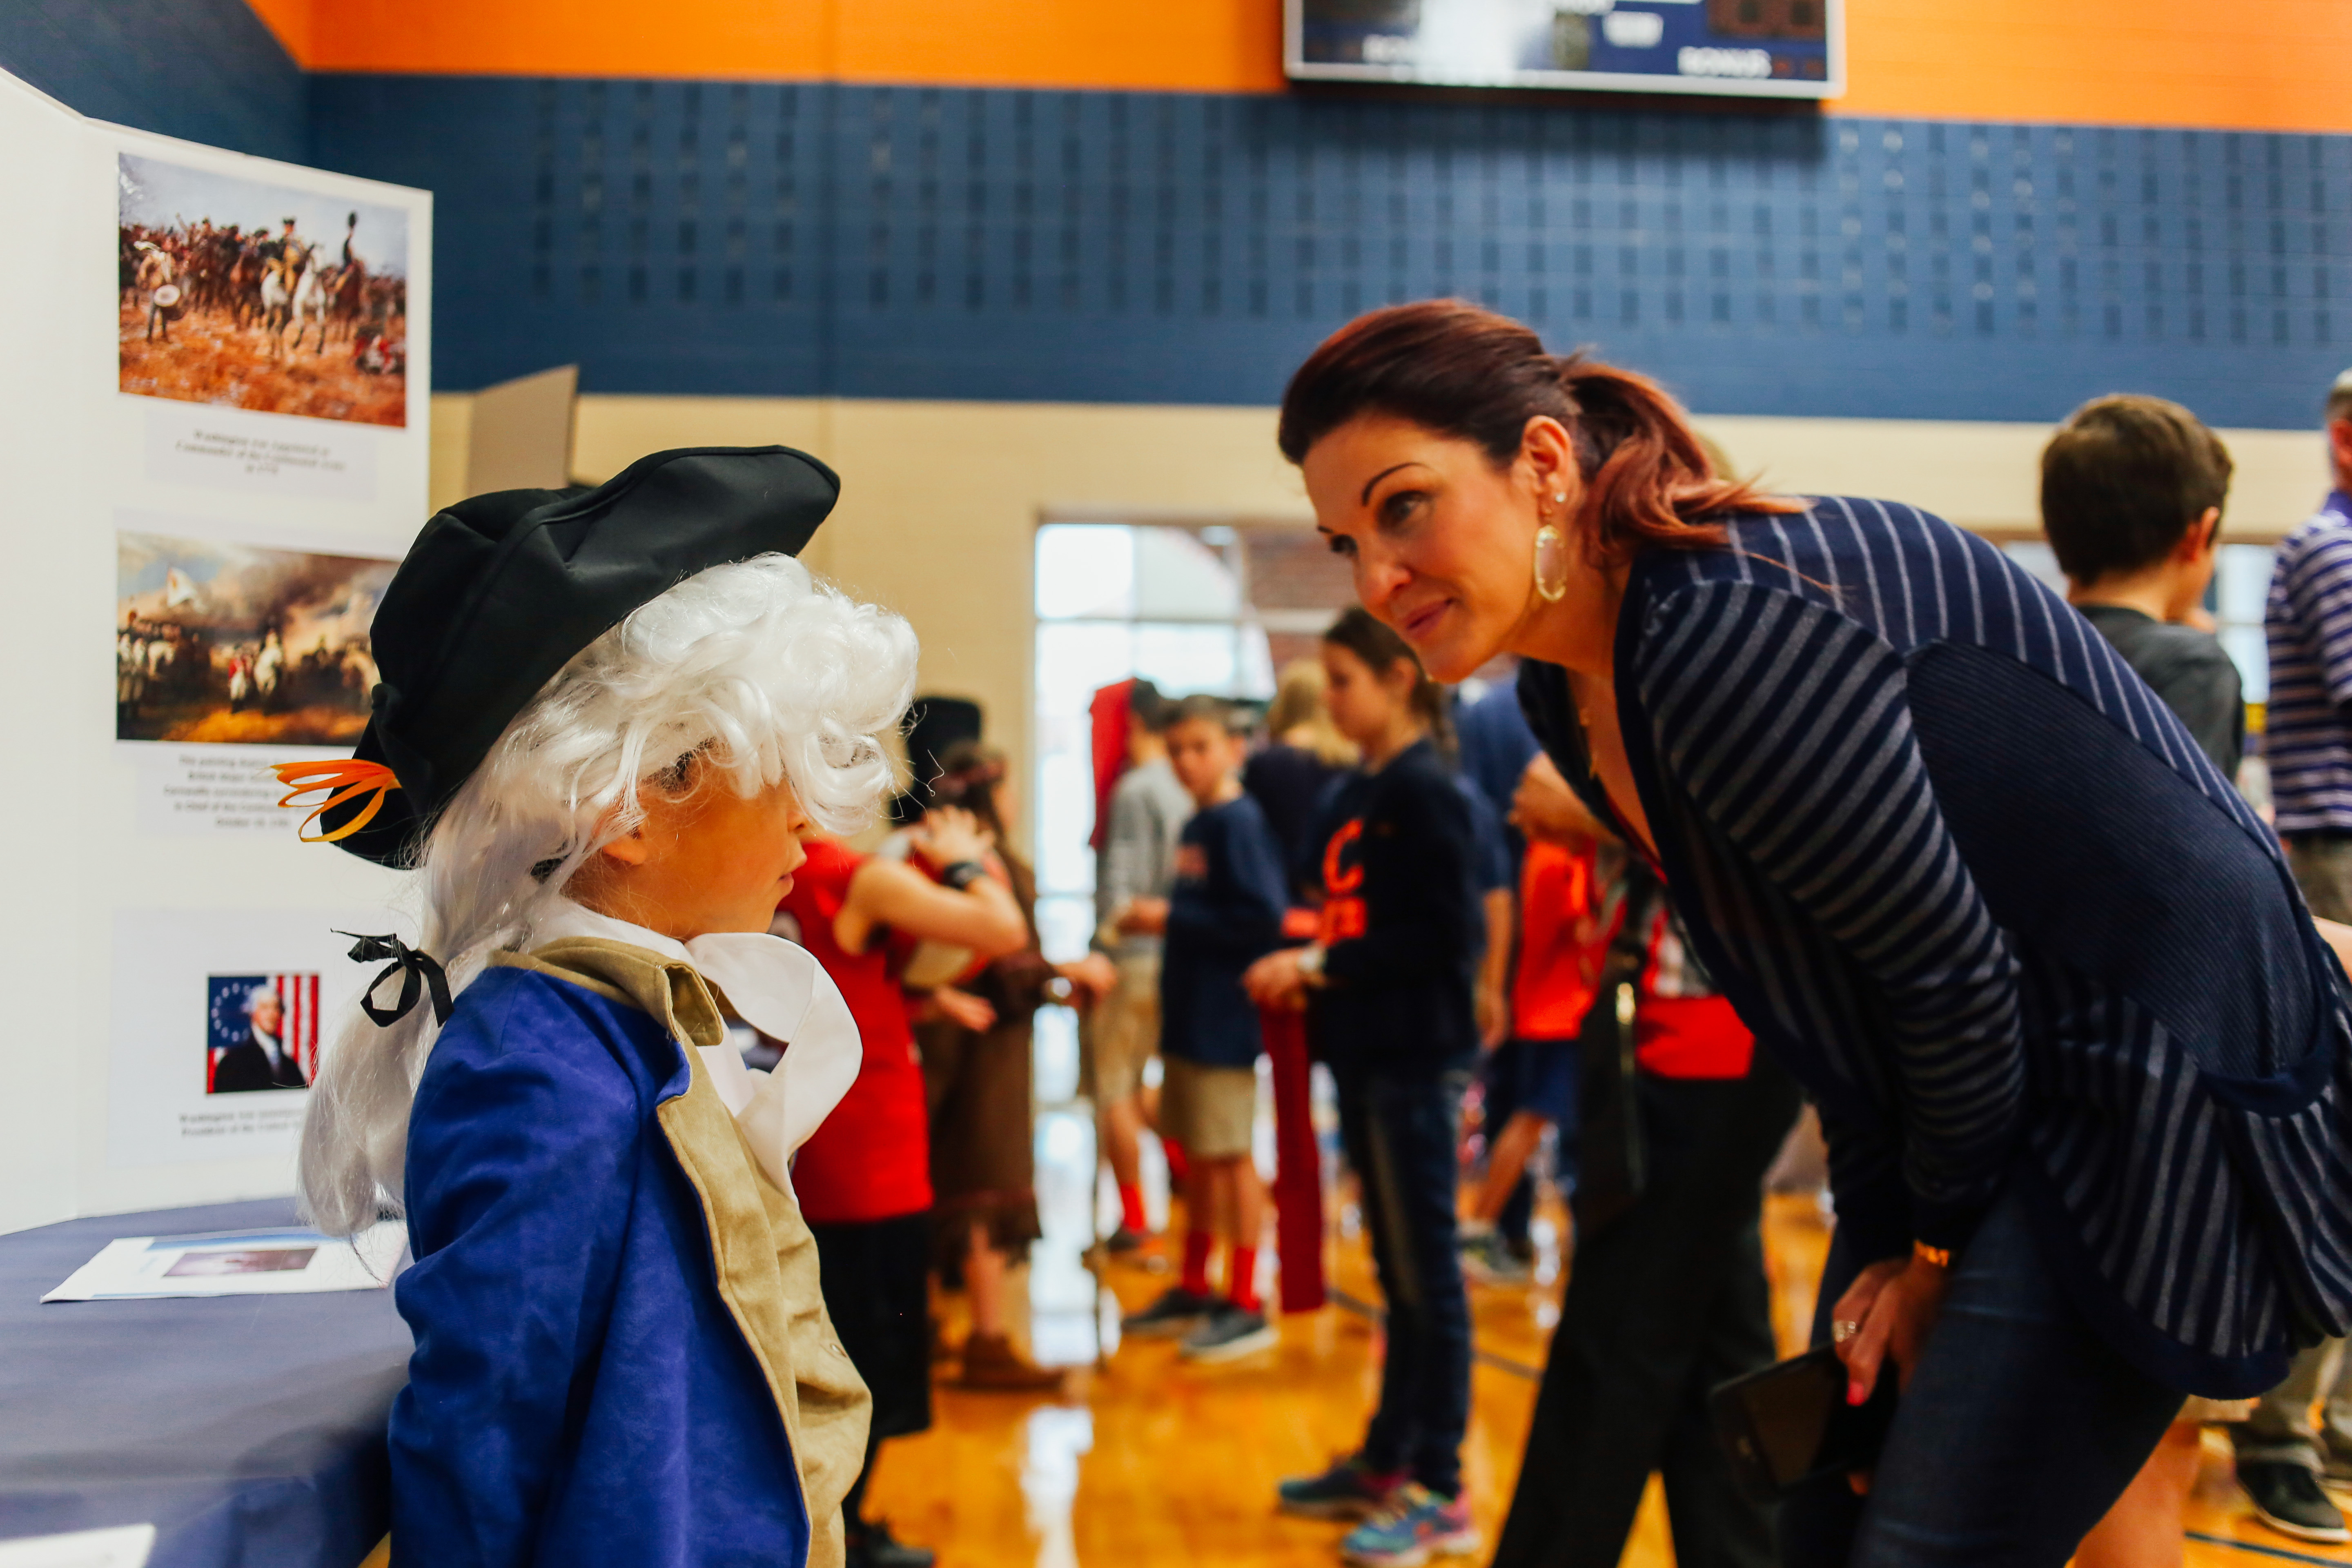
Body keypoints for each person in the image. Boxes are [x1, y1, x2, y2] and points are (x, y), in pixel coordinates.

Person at [1278, 300, 2352, 1568]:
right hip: (2005, 1089)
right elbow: (1824, 997)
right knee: (1834, 1526)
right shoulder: (1572, 688)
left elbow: (1944, 972)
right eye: (1345, 539)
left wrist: (1931, 1243)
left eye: (1404, 506)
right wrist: (1893, 1230)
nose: (1376, 577)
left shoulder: (1718, 624)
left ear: (1546, 463)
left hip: (2146, 1092)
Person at [277, 447, 911, 1567]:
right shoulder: (538, 1058)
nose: (808, 832)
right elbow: (485, 1418)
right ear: (634, 802)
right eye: (782, 780)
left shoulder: (625, 1024)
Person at [2040, 393, 2264, 1562]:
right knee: (2153, 1459)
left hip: (2017, 1105)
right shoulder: (2189, 665)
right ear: (2200, 535)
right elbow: (2193, 895)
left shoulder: (2012, 648)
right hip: (2155, 1128)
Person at [1490, 799, 1800, 1568]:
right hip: (1660, 1032)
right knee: (1717, 1362)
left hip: (1713, 1042)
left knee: (1613, 1353)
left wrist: (1595, 812)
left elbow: (1772, 827)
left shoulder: (1725, 687)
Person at [1247, 608, 1485, 1568]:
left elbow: (1443, 940)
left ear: (1398, 677)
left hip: (1416, 1060)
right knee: (1393, 1274)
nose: (1330, 698)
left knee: (1429, 1277)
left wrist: (1317, 963)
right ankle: (1389, 1455)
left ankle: (1441, 1484)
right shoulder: (1359, 788)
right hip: (1367, 1057)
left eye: (1342, 679)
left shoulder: (1429, 792)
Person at [782, 802, 1028, 1568]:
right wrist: (963, 858)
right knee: (868, 1352)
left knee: (840, 1345)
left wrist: (921, 998)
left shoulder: (783, 879)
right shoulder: (854, 877)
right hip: (869, 1149)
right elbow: (1002, 929)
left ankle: (845, 1527)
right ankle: (847, 1535)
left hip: (823, 1135)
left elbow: (831, 981)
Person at [2246, 368, 2352, 1542]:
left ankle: (2331, 1418)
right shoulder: (2330, 551)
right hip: (2338, 861)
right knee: (2330, 1148)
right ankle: (2279, 1427)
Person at [1120, 695, 1290, 1361]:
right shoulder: (1200, 821)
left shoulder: (1238, 822)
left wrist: (1167, 920)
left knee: (1228, 1157)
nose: (1187, 760)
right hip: (1191, 1016)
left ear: (1232, 748)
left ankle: (1246, 1298)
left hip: (1225, 1020)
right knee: (1199, 1158)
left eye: (1201, 747)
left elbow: (1261, 919)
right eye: (1177, 749)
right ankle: (1196, 1284)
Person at [915, 741, 1071, 1390]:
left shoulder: (921, 857)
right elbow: (1010, 966)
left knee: (938, 1180)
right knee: (984, 1186)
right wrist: (1067, 975)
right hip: (987, 1047)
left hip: (940, 1040)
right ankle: (986, 1339)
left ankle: (925, 1328)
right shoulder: (987, 864)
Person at [1089, 682, 1193, 1250]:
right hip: (1175, 961)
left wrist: (1099, 949)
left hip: (1131, 963)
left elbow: (1120, 898)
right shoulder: (1184, 785)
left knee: (1115, 1092)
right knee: (1145, 1086)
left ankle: (1134, 1218)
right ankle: (1192, 1179)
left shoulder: (1135, 789)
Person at [1244, 658, 1359, 885]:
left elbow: (1253, 837)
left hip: (1279, 887)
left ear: (1284, 701)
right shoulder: (1353, 761)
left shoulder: (1266, 762)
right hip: (1338, 887)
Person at [212, 984, 306, 1093]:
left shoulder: (289, 1065)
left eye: (276, 1007)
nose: (272, 1014)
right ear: (253, 1012)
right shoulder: (233, 1063)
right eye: (265, 1007)